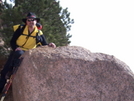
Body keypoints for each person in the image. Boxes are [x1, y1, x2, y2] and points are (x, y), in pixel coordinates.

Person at [0, 12, 56, 93]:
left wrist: (50, 44)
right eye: (29, 20)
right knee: (4, 72)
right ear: (26, 22)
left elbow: (45, 44)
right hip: (17, 51)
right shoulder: (20, 29)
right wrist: (16, 48)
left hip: (28, 52)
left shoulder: (39, 33)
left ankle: (12, 72)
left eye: (33, 20)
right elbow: (12, 41)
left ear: (36, 21)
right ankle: (4, 82)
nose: (31, 21)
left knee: (19, 56)